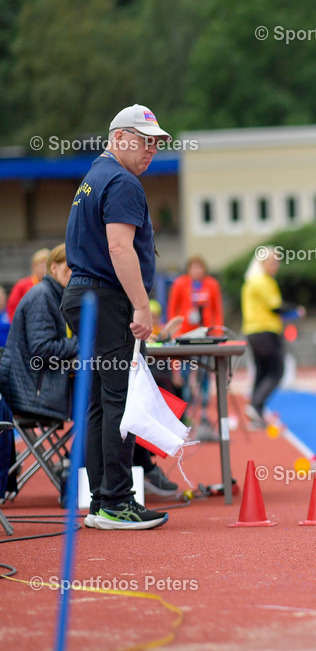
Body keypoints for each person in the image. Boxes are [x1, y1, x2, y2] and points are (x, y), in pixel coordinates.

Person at [60, 104, 171, 530]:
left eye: (157, 145)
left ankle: (103, 500)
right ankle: (116, 502)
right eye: (145, 141)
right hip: (104, 296)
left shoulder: (95, 176)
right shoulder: (122, 181)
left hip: (85, 294)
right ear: (119, 137)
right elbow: (120, 248)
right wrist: (142, 305)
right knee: (118, 399)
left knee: (98, 403)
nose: (151, 152)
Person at [0, 245, 77, 422]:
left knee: (100, 403)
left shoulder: (56, 295)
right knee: (100, 405)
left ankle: (78, 450)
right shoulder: (43, 295)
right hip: (31, 394)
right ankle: (81, 451)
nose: (75, 271)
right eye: (69, 266)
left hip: (35, 388)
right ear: (54, 267)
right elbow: (43, 349)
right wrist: (83, 343)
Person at [241, 248, 304, 428]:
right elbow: (275, 307)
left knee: (262, 371)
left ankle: (256, 411)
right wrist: (296, 310)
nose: (276, 266)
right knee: (276, 371)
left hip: (253, 330)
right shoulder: (262, 281)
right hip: (265, 331)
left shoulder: (251, 281)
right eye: (272, 262)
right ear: (262, 263)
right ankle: (256, 404)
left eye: (277, 262)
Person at [167, 255, 224, 430]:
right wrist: (172, 331)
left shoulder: (211, 284)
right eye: (194, 267)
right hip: (185, 336)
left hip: (206, 336)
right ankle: (186, 412)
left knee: (205, 374)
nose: (197, 271)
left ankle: (205, 412)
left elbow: (217, 310)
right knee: (184, 375)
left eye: (200, 267)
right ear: (189, 269)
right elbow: (172, 308)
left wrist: (218, 333)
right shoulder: (180, 283)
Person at [6, 248, 51, 319]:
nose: (43, 270)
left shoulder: (53, 285)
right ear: (33, 267)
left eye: (46, 266)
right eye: (40, 266)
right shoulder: (22, 285)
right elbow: (12, 308)